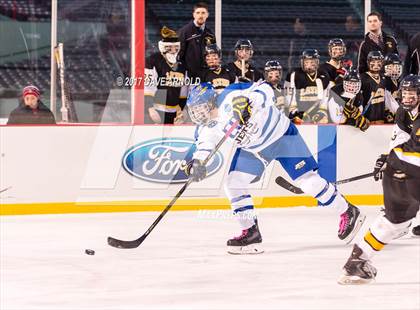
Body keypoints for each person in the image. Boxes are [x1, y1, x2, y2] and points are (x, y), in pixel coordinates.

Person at [184, 82, 366, 254]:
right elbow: (204, 146)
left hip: (282, 136)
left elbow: (267, 88)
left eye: (200, 108)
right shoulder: (205, 127)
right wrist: (198, 162)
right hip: (255, 150)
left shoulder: (232, 93)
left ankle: (348, 210)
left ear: (210, 101)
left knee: (307, 183)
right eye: (195, 110)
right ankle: (250, 232)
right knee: (233, 183)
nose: (197, 114)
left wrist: (250, 101)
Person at [338, 74, 420, 284]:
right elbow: (401, 143)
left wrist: (392, 160)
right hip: (407, 172)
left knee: (396, 222)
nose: (408, 96)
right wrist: (388, 158)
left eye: (413, 92)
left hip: (405, 170)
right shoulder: (403, 112)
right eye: (406, 92)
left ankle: (358, 259)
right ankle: (358, 261)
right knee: (396, 221)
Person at [144, 26, 188, 124]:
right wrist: (150, 108)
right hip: (156, 110)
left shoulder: (182, 63)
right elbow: (148, 86)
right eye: (170, 47)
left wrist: (182, 108)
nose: (173, 50)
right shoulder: (153, 60)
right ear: (163, 47)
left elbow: (184, 90)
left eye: (175, 47)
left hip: (175, 112)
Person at [286, 49, 329, 124]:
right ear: (302, 62)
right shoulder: (295, 75)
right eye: (306, 62)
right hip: (299, 111)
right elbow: (290, 97)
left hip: (316, 112)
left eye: (312, 62)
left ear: (317, 62)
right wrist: (296, 112)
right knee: (298, 121)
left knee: (323, 120)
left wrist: (321, 112)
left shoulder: (324, 75)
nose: (309, 65)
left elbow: (325, 97)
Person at [177, 2, 216, 79]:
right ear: (193, 14)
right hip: (188, 76)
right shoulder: (184, 32)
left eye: (203, 13)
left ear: (207, 15)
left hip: (205, 75)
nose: (200, 16)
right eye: (198, 13)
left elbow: (213, 53)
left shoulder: (210, 33)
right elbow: (179, 54)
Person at [360, 51, 390, 123]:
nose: (376, 64)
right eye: (373, 61)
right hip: (366, 120)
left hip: (381, 120)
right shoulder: (362, 78)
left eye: (378, 61)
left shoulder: (384, 78)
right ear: (368, 62)